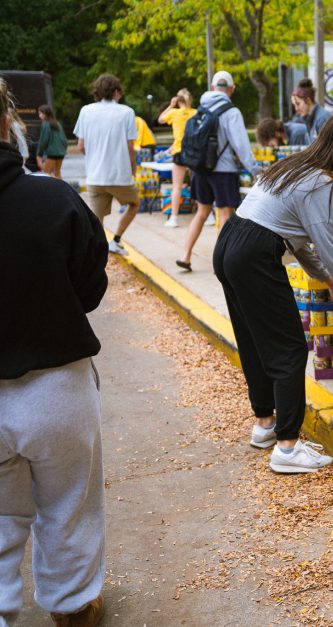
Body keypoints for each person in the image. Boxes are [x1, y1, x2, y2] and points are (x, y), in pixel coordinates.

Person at [0, 77, 109, 627]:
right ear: (8, 124)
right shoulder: (52, 197)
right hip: (56, 385)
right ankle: (71, 604)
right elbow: (90, 286)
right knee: (68, 506)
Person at [213, 113, 333, 472]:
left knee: (255, 341)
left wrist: (324, 276)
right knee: (289, 349)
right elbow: (329, 247)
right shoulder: (323, 184)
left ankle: (265, 424)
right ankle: (287, 447)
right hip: (255, 252)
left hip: (230, 243)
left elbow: (299, 241)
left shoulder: (294, 167)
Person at [177, 71, 260, 272]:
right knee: (225, 214)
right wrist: (255, 170)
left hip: (201, 169)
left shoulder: (202, 107)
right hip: (223, 171)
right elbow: (241, 145)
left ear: (213, 88)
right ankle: (220, 262)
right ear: (231, 89)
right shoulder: (231, 112)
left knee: (202, 212)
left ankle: (185, 255)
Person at [73, 73, 139, 256]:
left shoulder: (85, 111)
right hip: (120, 175)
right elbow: (130, 148)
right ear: (116, 92)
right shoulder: (126, 112)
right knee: (134, 203)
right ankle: (116, 240)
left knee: (96, 219)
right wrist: (133, 168)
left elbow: (80, 146)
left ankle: (99, 252)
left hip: (95, 175)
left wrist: (94, 156)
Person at [157, 88, 197, 228]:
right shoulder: (195, 113)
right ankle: (207, 215)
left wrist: (170, 105)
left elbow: (160, 119)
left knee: (177, 186)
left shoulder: (174, 113)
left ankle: (173, 218)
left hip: (179, 151)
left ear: (178, 100)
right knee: (198, 183)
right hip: (194, 152)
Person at [286, 78, 331, 145]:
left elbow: (326, 150)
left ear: (308, 100)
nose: (296, 109)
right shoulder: (311, 119)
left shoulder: (322, 119)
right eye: (294, 105)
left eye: (298, 104)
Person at [37, 104, 68, 178]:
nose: (39, 116)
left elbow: (43, 140)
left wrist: (39, 154)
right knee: (57, 173)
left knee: (46, 174)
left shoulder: (45, 124)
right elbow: (64, 139)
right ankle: (61, 189)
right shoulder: (57, 123)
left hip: (52, 153)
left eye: (40, 113)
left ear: (45, 114)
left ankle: (48, 189)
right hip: (61, 153)